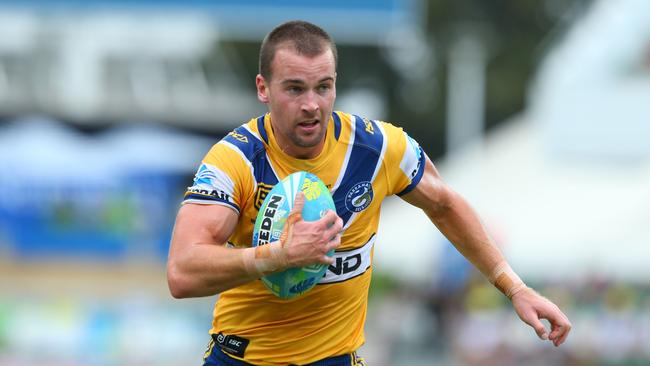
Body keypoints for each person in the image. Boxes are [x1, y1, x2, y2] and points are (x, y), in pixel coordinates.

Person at [166, 20, 571, 365]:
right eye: (294, 89)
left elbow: (445, 204)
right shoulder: (235, 160)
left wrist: (515, 288)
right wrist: (277, 256)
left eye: (323, 87)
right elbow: (182, 272)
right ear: (263, 88)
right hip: (243, 358)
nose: (312, 105)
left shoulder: (377, 149)